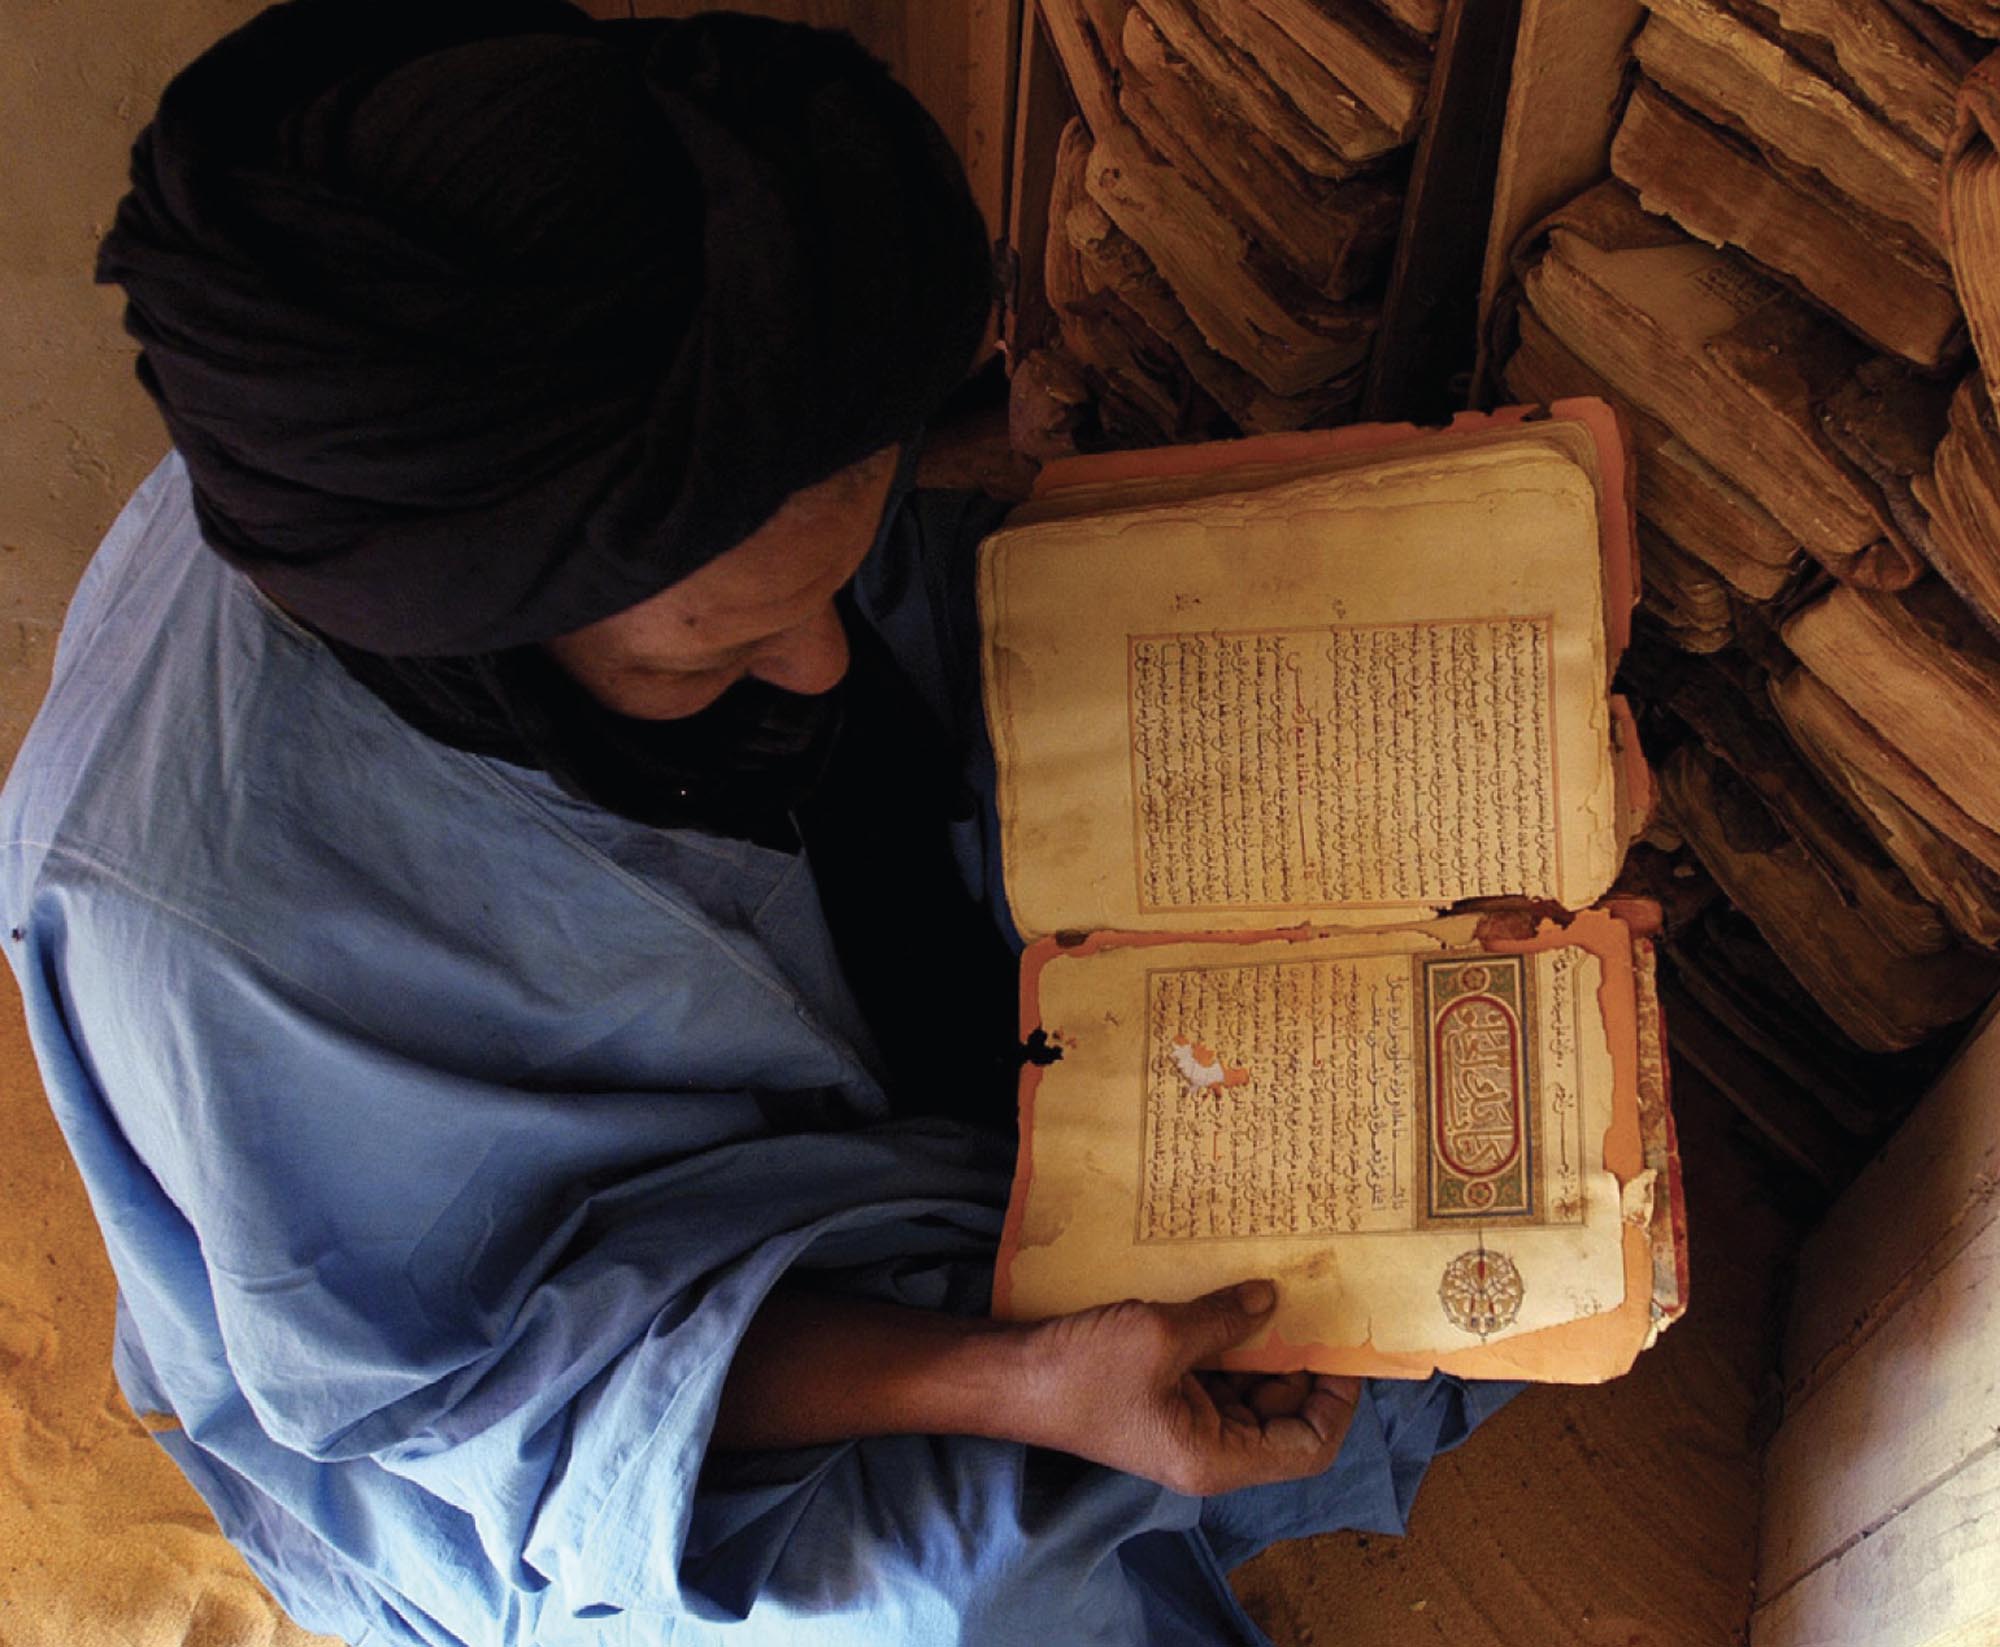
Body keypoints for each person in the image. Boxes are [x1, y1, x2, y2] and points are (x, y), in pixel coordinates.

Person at [0, 3, 1513, 1642]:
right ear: (505, 618)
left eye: (833, 571)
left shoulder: (597, 435)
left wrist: (953, 454)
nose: (815, 664)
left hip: (861, 1052)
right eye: (716, 648)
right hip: (600, 1377)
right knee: (935, 1582)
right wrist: (1003, 1380)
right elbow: (501, 1391)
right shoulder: (208, 938)